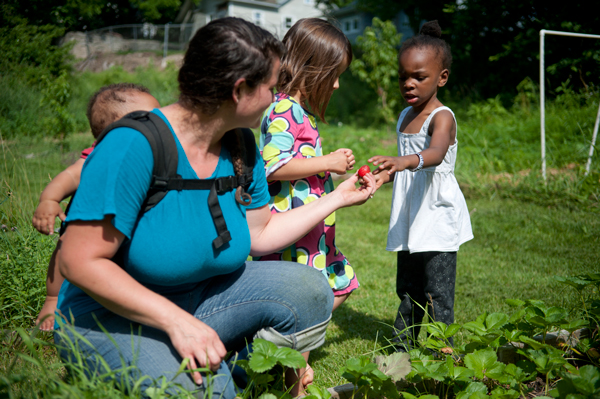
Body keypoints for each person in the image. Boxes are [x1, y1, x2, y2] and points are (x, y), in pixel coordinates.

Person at [54, 17, 376, 399]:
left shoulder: (240, 145)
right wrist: (174, 322)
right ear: (240, 90)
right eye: (271, 88)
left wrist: (338, 197)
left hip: (201, 302)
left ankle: (234, 362)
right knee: (212, 393)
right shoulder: (134, 144)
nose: (277, 97)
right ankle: (217, 368)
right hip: (112, 317)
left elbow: (262, 235)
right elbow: (78, 261)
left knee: (310, 288)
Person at [253, 18, 363, 395]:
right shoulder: (281, 110)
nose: (335, 84)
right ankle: (293, 374)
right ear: (311, 68)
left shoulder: (302, 114)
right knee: (302, 298)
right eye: (333, 75)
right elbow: (274, 165)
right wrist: (327, 162)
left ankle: (288, 346)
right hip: (293, 234)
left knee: (340, 281)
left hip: (314, 236)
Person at [368, 20, 473, 352]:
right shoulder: (403, 116)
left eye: (419, 76)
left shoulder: (442, 117)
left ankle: (445, 354)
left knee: (437, 290)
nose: (409, 84)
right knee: (408, 286)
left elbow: (436, 154)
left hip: (438, 215)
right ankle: (402, 348)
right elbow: (403, 165)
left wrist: (403, 162)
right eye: (403, 77)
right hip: (410, 215)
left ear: (441, 78)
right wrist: (385, 175)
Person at [32, 83, 160, 331]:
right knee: (65, 249)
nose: (161, 123)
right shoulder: (100, 154)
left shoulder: (156, 151)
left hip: (125, 226)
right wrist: (49, 200)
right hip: (89, 223)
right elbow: (68, 177)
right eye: (149, 119)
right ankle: (52, 301)